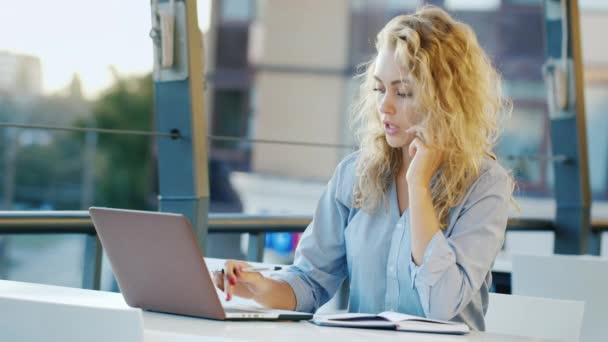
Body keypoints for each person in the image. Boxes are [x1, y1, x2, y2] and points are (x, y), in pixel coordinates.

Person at [214, 5, 515, 331]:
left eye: (403, 92)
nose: (384, 106)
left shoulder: (486, 185)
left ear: (446, 100)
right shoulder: (355, 173)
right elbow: (311, 280)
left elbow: (442, 304)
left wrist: (419, 186)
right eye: (379, 88)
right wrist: (260, 288)